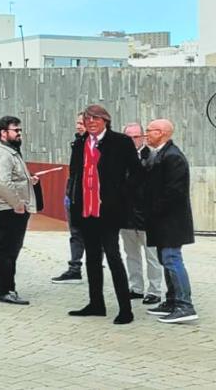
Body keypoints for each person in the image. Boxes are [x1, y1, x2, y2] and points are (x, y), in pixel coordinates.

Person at [67, 104, 139, 325]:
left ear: (105, 120)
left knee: (113, 256)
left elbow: (135, 174)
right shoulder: (79, 144)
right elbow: (74, 175)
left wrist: (120, 197)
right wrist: (74, 202)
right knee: (92, 258)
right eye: (87, 119)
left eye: (95, 119)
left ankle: (126, 309)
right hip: (86, 210)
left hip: (109, 211)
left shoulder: (121, 142)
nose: (91, 122)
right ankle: (96, 303)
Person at [140, 119, 198, 323]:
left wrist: (155, 210)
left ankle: (185, 305)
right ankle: (172, 300)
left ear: (163, 133)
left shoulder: (173, 157)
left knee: (172, 259)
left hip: (171, 220)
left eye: (150, 131)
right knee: (165, 260)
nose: (146, 134)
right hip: (161, 220)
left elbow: (174, 191)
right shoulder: (158, 154)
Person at [0, 116, 36, 305]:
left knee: (10, 251)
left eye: (20, 130)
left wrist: (29, 181)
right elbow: (3, 182)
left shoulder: (11, 151)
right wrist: (18, 204)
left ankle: (9, 288)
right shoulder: (1, 153)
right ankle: (4, 291)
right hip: (8, 209)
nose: (19, 134)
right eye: (16, 130)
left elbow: (13, 179)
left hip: (13, 208)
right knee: (7, 252)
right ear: (3, 133)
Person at [119, 122, 164, 305]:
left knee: (152, 255)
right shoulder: (118, 158)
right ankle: (136, 287)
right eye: (128, 137)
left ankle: (154, 290)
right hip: (126, 215)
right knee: (131, 254)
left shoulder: (153, 157)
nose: (132, 140)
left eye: (135, 137)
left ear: (143, 137)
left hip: (147, 216)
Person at [52, 113, 88, 284]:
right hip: (73, 195)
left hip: (87, 198)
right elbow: (74, 173)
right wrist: (68, 194)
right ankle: (75, 268)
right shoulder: (78, 143)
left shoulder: (94, 145)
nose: (79, 126)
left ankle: (93, 265)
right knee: (75, 233)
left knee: (92, 234)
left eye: (83, 123)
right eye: (78, 123)